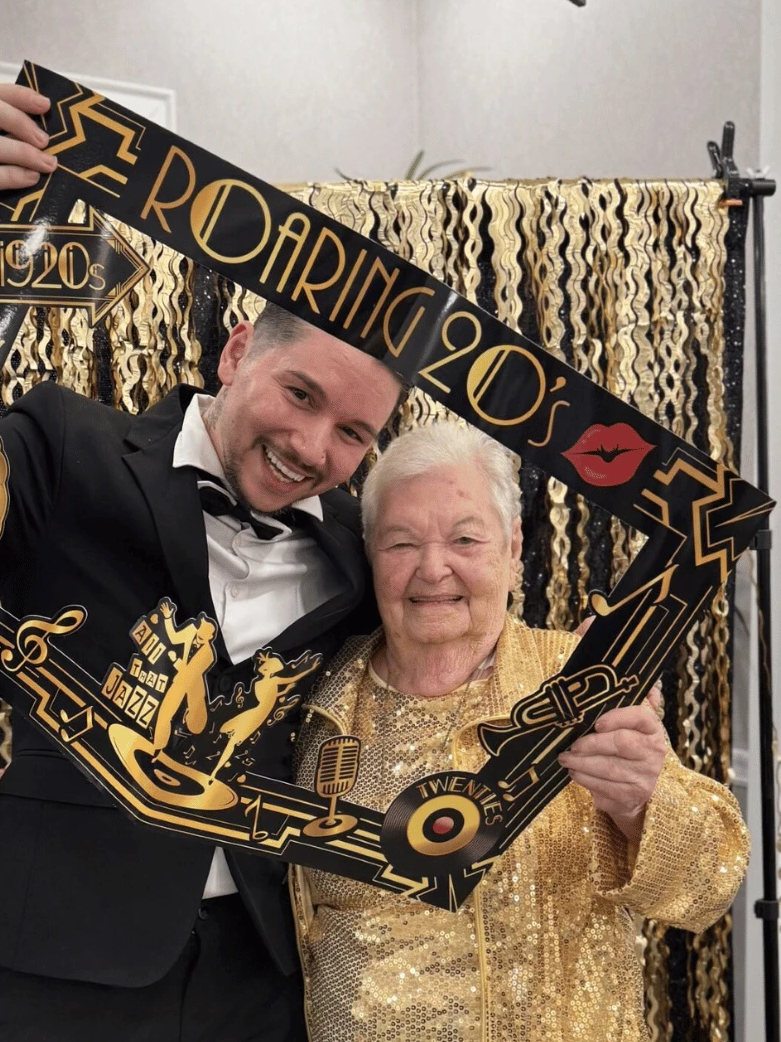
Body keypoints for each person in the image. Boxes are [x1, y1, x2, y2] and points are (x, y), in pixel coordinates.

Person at [0, 82, 404, 1042]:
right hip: (63, 950)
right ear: (237, 350)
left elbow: (441, 664)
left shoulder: (364, 547)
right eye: (298, 393)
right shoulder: (66, 442)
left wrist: (582, 687)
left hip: (265, 969)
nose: (312, 445)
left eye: (353, 432)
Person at [291, 420, 749, 1042]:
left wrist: (644, 804)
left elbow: (710, 884)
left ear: (512, 551)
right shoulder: (316, 708)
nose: (433, 569)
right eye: (401, 544)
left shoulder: (580, 684)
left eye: (465, 539)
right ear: (371, 557)